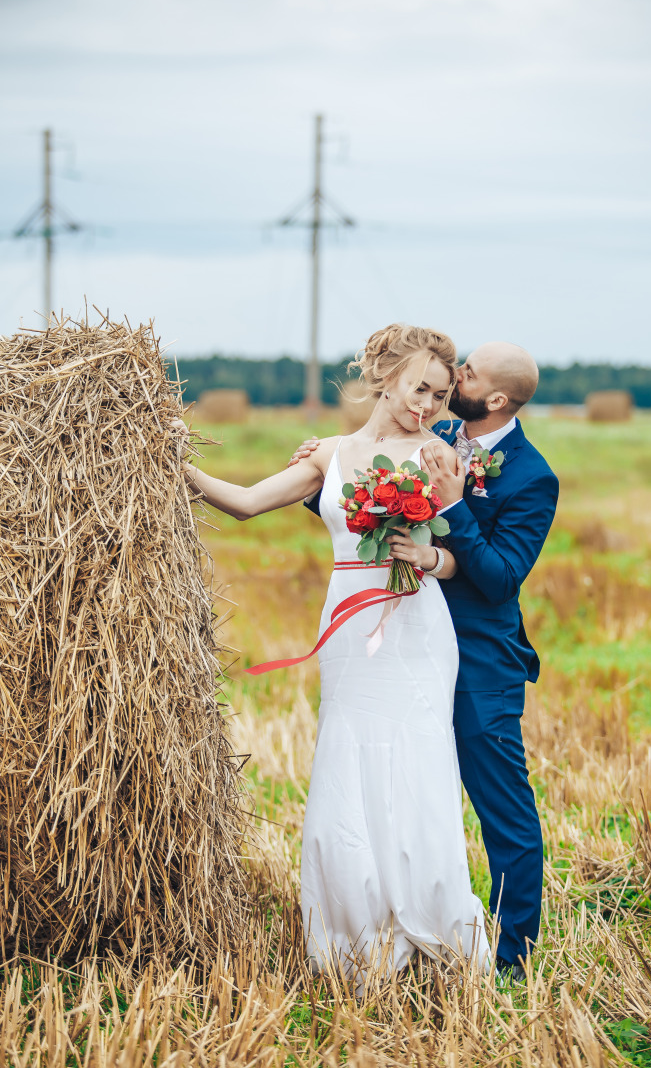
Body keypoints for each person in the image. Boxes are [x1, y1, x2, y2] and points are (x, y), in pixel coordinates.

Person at [172, 324, 490, 990]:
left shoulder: (443, 456)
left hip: (415, 630)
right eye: (417, 388)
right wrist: (175, 463)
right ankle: (356, 932)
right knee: (347, 752)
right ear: (385, 377)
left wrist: (439, 529)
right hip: (348, 631)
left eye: (437, 394)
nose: (427, 405)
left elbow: (470, 557)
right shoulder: (332, 455)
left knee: (418, 760)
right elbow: (248, 504)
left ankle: (430, 927)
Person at [293, 340, 558, 984]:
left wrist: (455, 504)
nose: (451, 380)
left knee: (502, 806)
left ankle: (512, 959)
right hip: (405, 641)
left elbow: (498, 578)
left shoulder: (530, 477)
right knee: (406, 785)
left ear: (495, 399)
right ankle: (392, 925)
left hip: (482, 657)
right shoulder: (435, 431)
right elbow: (367, 496)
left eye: (465, 374)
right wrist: (322, 478)